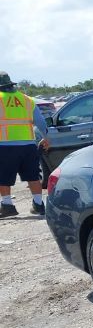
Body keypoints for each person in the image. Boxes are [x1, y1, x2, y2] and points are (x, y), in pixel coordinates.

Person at [0, 71, 50, 218]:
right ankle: (39, 205)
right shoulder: (27, 100)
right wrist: (47, 138)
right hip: (28, 146)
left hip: (4, 146)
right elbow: (40, 122)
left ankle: (7, 206)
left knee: (3, 177)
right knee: (33, 176)